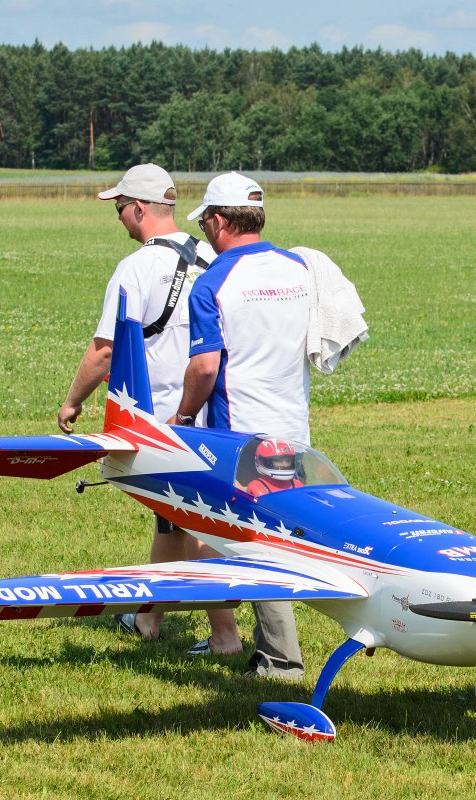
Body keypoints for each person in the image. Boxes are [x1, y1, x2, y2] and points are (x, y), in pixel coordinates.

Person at [57, 163, 241, 655]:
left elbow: (106, 349)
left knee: (198, 524)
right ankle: (148, 619)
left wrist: (73, 401)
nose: (118, 217)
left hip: (164, 420)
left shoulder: (135, 268)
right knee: (173, 519)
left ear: (138, 209)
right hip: (217, 413)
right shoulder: (214, 254)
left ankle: (225, 636)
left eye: (120, 208)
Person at [168, 171, 312, 680]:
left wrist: (183, 416)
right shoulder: (298, 268)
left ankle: (279, 660)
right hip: (294, 424)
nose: (205, 229)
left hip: (240, 432)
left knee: (251, 541)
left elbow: (206, 367)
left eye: (206, 219)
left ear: (221, 220)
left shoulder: (213, 283)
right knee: (285, 534)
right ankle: (267, 648)